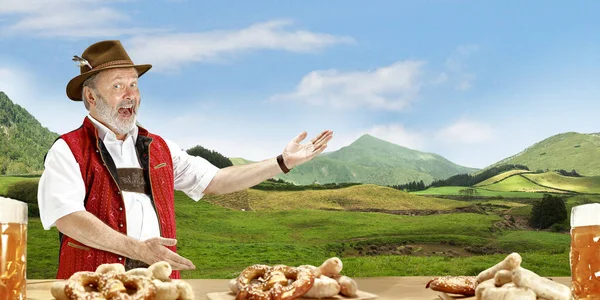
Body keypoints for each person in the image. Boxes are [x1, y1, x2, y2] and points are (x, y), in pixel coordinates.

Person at [37, 40, 333, 279]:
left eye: (134, 85)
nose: (131, 95)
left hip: (160, 284)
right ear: (90, 97)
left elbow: (215, 180)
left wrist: (282, 162)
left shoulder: (160, 148)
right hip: (91, 286)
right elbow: (67, 217)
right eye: (117, 86)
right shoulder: (69, 149)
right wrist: (139, 250)